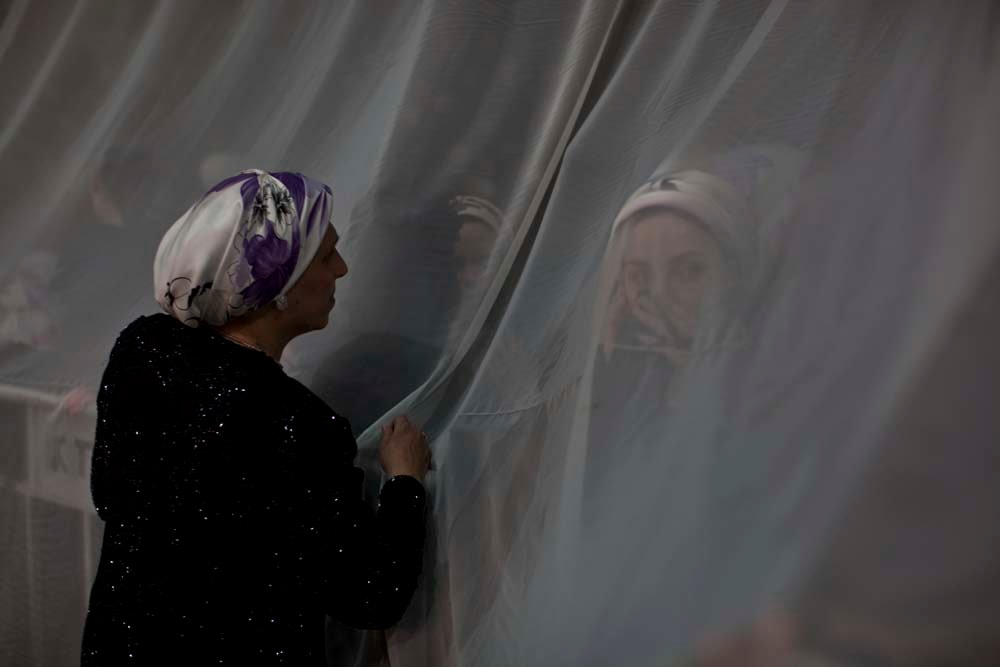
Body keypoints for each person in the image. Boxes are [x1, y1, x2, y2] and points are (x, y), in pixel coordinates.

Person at [81, 169, 432, 665]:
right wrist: (405, 481)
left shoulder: (144, 348)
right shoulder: (294, 422)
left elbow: (112, 494)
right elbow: (371, 593)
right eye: (327, 255)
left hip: (123, 643)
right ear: (276, 280)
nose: (344, 269)